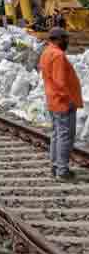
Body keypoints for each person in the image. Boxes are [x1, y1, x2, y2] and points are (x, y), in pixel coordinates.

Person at [39, 27, 84, 181]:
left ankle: (55, 166)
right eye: (65, 39)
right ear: (58, 39)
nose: (67, 41)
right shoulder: (58, 55)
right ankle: (62, 171)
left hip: (52, 100)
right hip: (63, 102)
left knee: (57, 135)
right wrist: (69, 99)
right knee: (65, 136)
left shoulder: (46, 52)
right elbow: (60, 82)